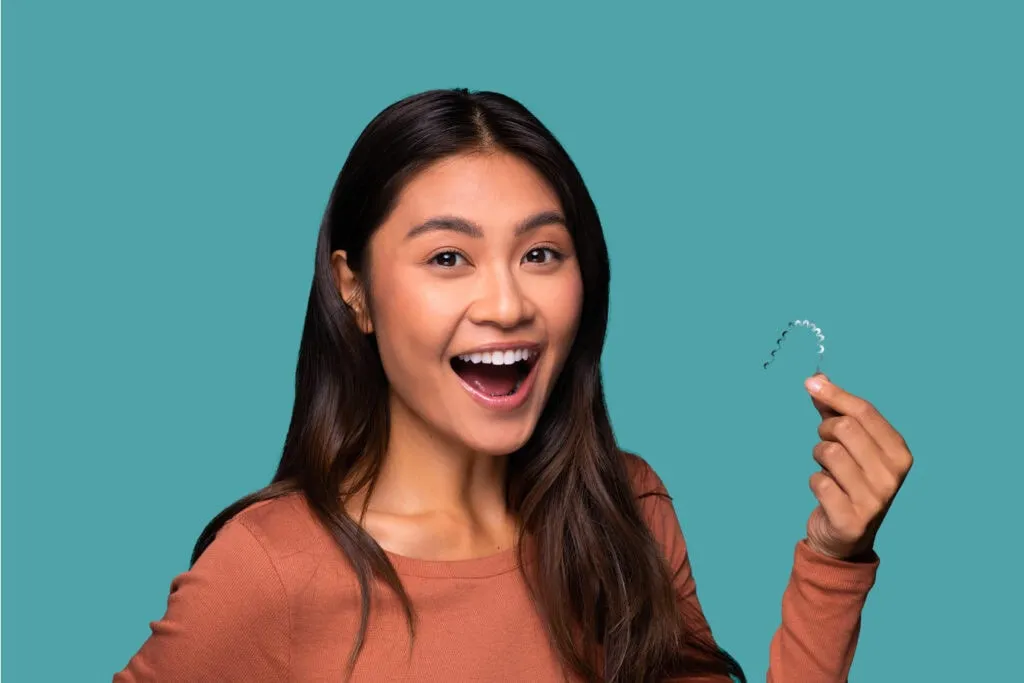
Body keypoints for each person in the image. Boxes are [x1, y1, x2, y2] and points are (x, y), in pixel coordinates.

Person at [113, 88, 913, 683]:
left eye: (540, 253)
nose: (507, 305)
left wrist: (833, 559)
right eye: (447, 257)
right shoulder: (268, 570)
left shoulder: (624, 512)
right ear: (352, 289)